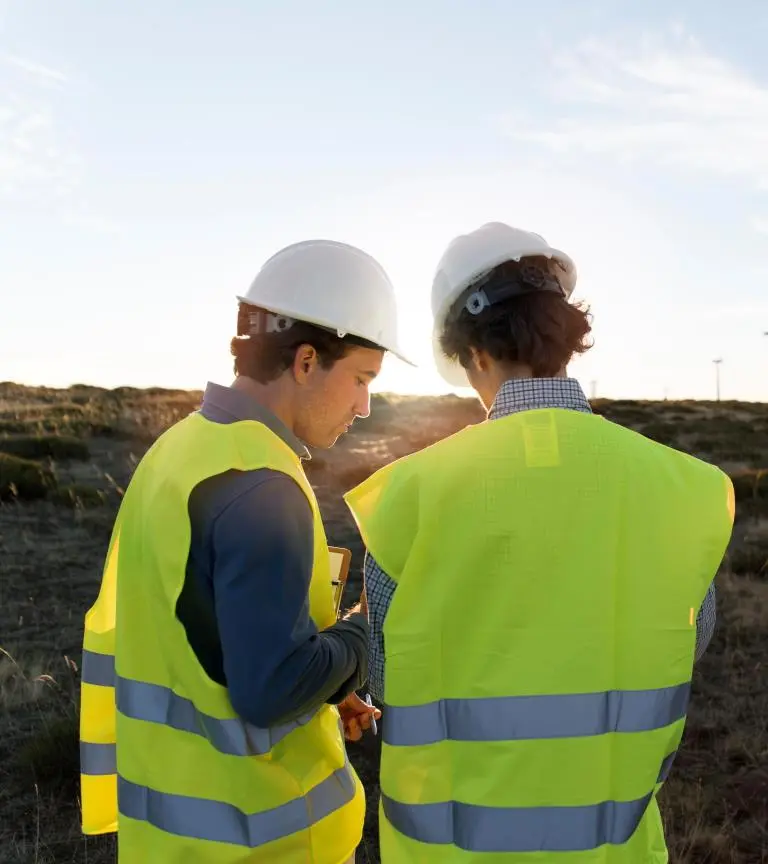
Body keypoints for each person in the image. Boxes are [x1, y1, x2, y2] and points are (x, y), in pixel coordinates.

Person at [343, 222, 734, 862]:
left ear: (470, 352)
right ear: (565, 338)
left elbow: (383, 672)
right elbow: (689, 641)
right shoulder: (683, 488)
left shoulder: (408, 495)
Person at [78, 239, 412, 863]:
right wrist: (361, 637)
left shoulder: (177, 450)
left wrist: (324, 684)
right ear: (307, 360)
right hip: (260, 843)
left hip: (169, 839)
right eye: (362, 379)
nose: (365, 406)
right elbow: (269, 690)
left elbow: (201, 642)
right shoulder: (263, 485)